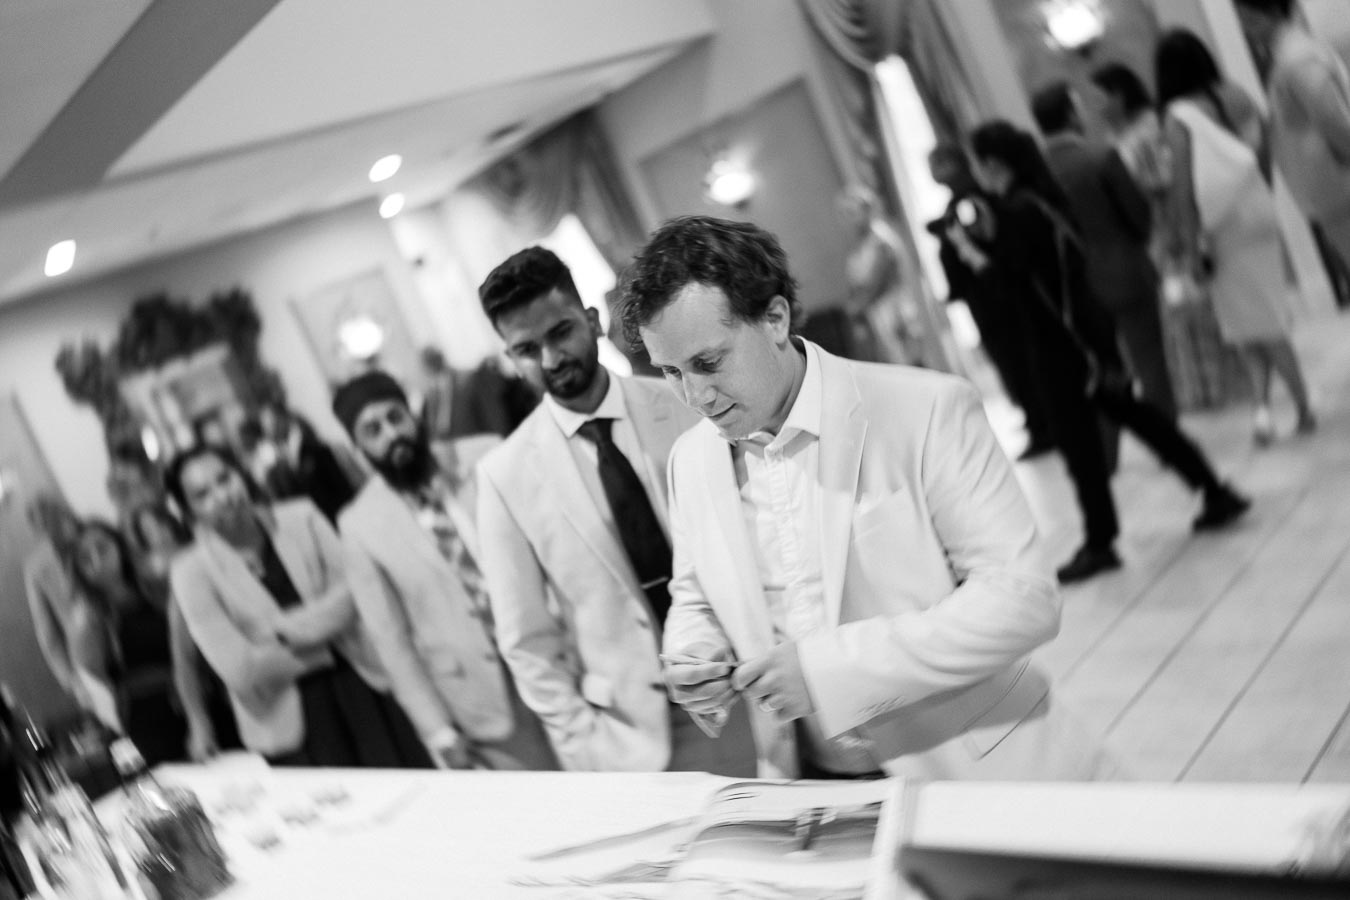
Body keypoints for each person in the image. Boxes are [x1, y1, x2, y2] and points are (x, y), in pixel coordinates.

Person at [620, 214, 1120, 781]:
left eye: (708, 363)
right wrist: (694, 653)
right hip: (807, 777)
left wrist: (828, 671)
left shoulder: (925, 409)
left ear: (775, 318)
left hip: (961, 762)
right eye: (671, 373)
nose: (695, 396)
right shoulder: (691, 460)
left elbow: (1022, 600)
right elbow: (695, 592)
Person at [473, 247, 756, 775]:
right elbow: (526, 642)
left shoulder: (687, 407)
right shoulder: (504, 476)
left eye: (560, 333)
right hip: (632, 738)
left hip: (744, 687)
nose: (552, 359)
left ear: (593, 321)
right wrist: (588, 746)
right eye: (527, 349)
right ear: (510, 359)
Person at [964, 121, 1250, 583]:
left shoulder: (1022, 209)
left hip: (1061, 343)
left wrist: (978, 257)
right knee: (1135, 417)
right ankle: (1211, 491)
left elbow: (1018, 282)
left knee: (1083, 446)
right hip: (1083, 334)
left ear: (994, 164)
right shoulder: (1044, 198)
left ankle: (1103, 541)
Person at [334, 371, 558, 771]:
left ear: (413, 416)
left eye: (394, 417)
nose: (391, 435)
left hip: (553, 651)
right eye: (372, 430)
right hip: (480, 698)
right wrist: (436, 730)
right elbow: (392, 641)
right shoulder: (360, 524)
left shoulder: (485, 454)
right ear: (358, 449)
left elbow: (551, 544)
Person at [166, 445, 428, 768]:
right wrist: (327, 635)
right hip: (285, 718)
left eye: (225, 478)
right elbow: (241, 670)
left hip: (361, 681)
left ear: (240, 474)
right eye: (202, 494)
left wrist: (279, 633)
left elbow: (356, 593)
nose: (223, 495)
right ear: (188, 511)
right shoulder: (190, 571)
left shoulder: (300, 516)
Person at [1156, 29, 1316, 444]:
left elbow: (1182, 189)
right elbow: (1263, 149)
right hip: (1257, 211)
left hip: (1220, 228)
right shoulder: (1237, 96)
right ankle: (1267, 411)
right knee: (1263, 316)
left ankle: (1298, 406)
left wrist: (1190, 247)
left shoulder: (1178, 116)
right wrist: (1257, 189)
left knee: (1249, 326)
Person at [1092, 61, 1239, 411]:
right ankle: (1195, 387)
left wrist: (1176, 231)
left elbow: (1164, 184)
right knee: (1178, 313)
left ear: (1119, 94)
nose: (1096, 105)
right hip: (1150, 233)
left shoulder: (1147, 129)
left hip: (1166, 227)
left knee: (1192, 307)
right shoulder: (1120, 136)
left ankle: (1217, 384)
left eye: (1101, 96)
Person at [1032, 81, 1178, 420]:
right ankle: (1166, 433)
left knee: (1099, 367)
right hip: (1122, 267)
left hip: (1070, 286)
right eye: (1079, 107)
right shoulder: (1098, 156)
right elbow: (1138, 214)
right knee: (1148, 358)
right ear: (1070, 115)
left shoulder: (1036, 171)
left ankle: (1108, 450)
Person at [927, 144, 1055, 458]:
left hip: (994, 296)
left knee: (1016, 359)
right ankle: (1036, 419)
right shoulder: (960, 202)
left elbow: (979, 244)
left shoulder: (970, 200)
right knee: (1010, 360)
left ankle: (1043, 426)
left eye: (937, 164)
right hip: (986, 296)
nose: (933, 172)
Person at [1235, 0, 1350, 286]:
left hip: (1341, 191)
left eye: (1248, 17)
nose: (1246, 28)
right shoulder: (1289, 57)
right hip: (1333, 192)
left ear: (1269, 12)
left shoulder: (1295, 59)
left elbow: (1334, 120)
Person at [127, 501, 241, 762]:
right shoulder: (178, 575)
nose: (161, 532)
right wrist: (199, 722)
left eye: (160, 522)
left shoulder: (210, 546)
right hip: (228, 685)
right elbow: (184, 660)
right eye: (149, 531)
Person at [67, 520, 186, 765]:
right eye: (85, 559)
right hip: (148, 716)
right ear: (79, 571)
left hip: (192, 693)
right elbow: (94, 687)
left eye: (102, 548)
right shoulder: (89, 619)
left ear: (119, 547)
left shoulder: (153, 590)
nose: (97, 562)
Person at [22, 495, 85, 708]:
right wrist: (71, 680)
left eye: (52, 517)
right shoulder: (37, 568)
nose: (50, 526)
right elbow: (47, 632)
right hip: (85, 660)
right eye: (42, 523)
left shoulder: (94, 539)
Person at [258, 402, 360, 523]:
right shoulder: (281, 462)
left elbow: (341, 487)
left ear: (283, 418)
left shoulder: (314, 448)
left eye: (271, 424)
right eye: (265, 427)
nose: (269, 431)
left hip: (340, 518)